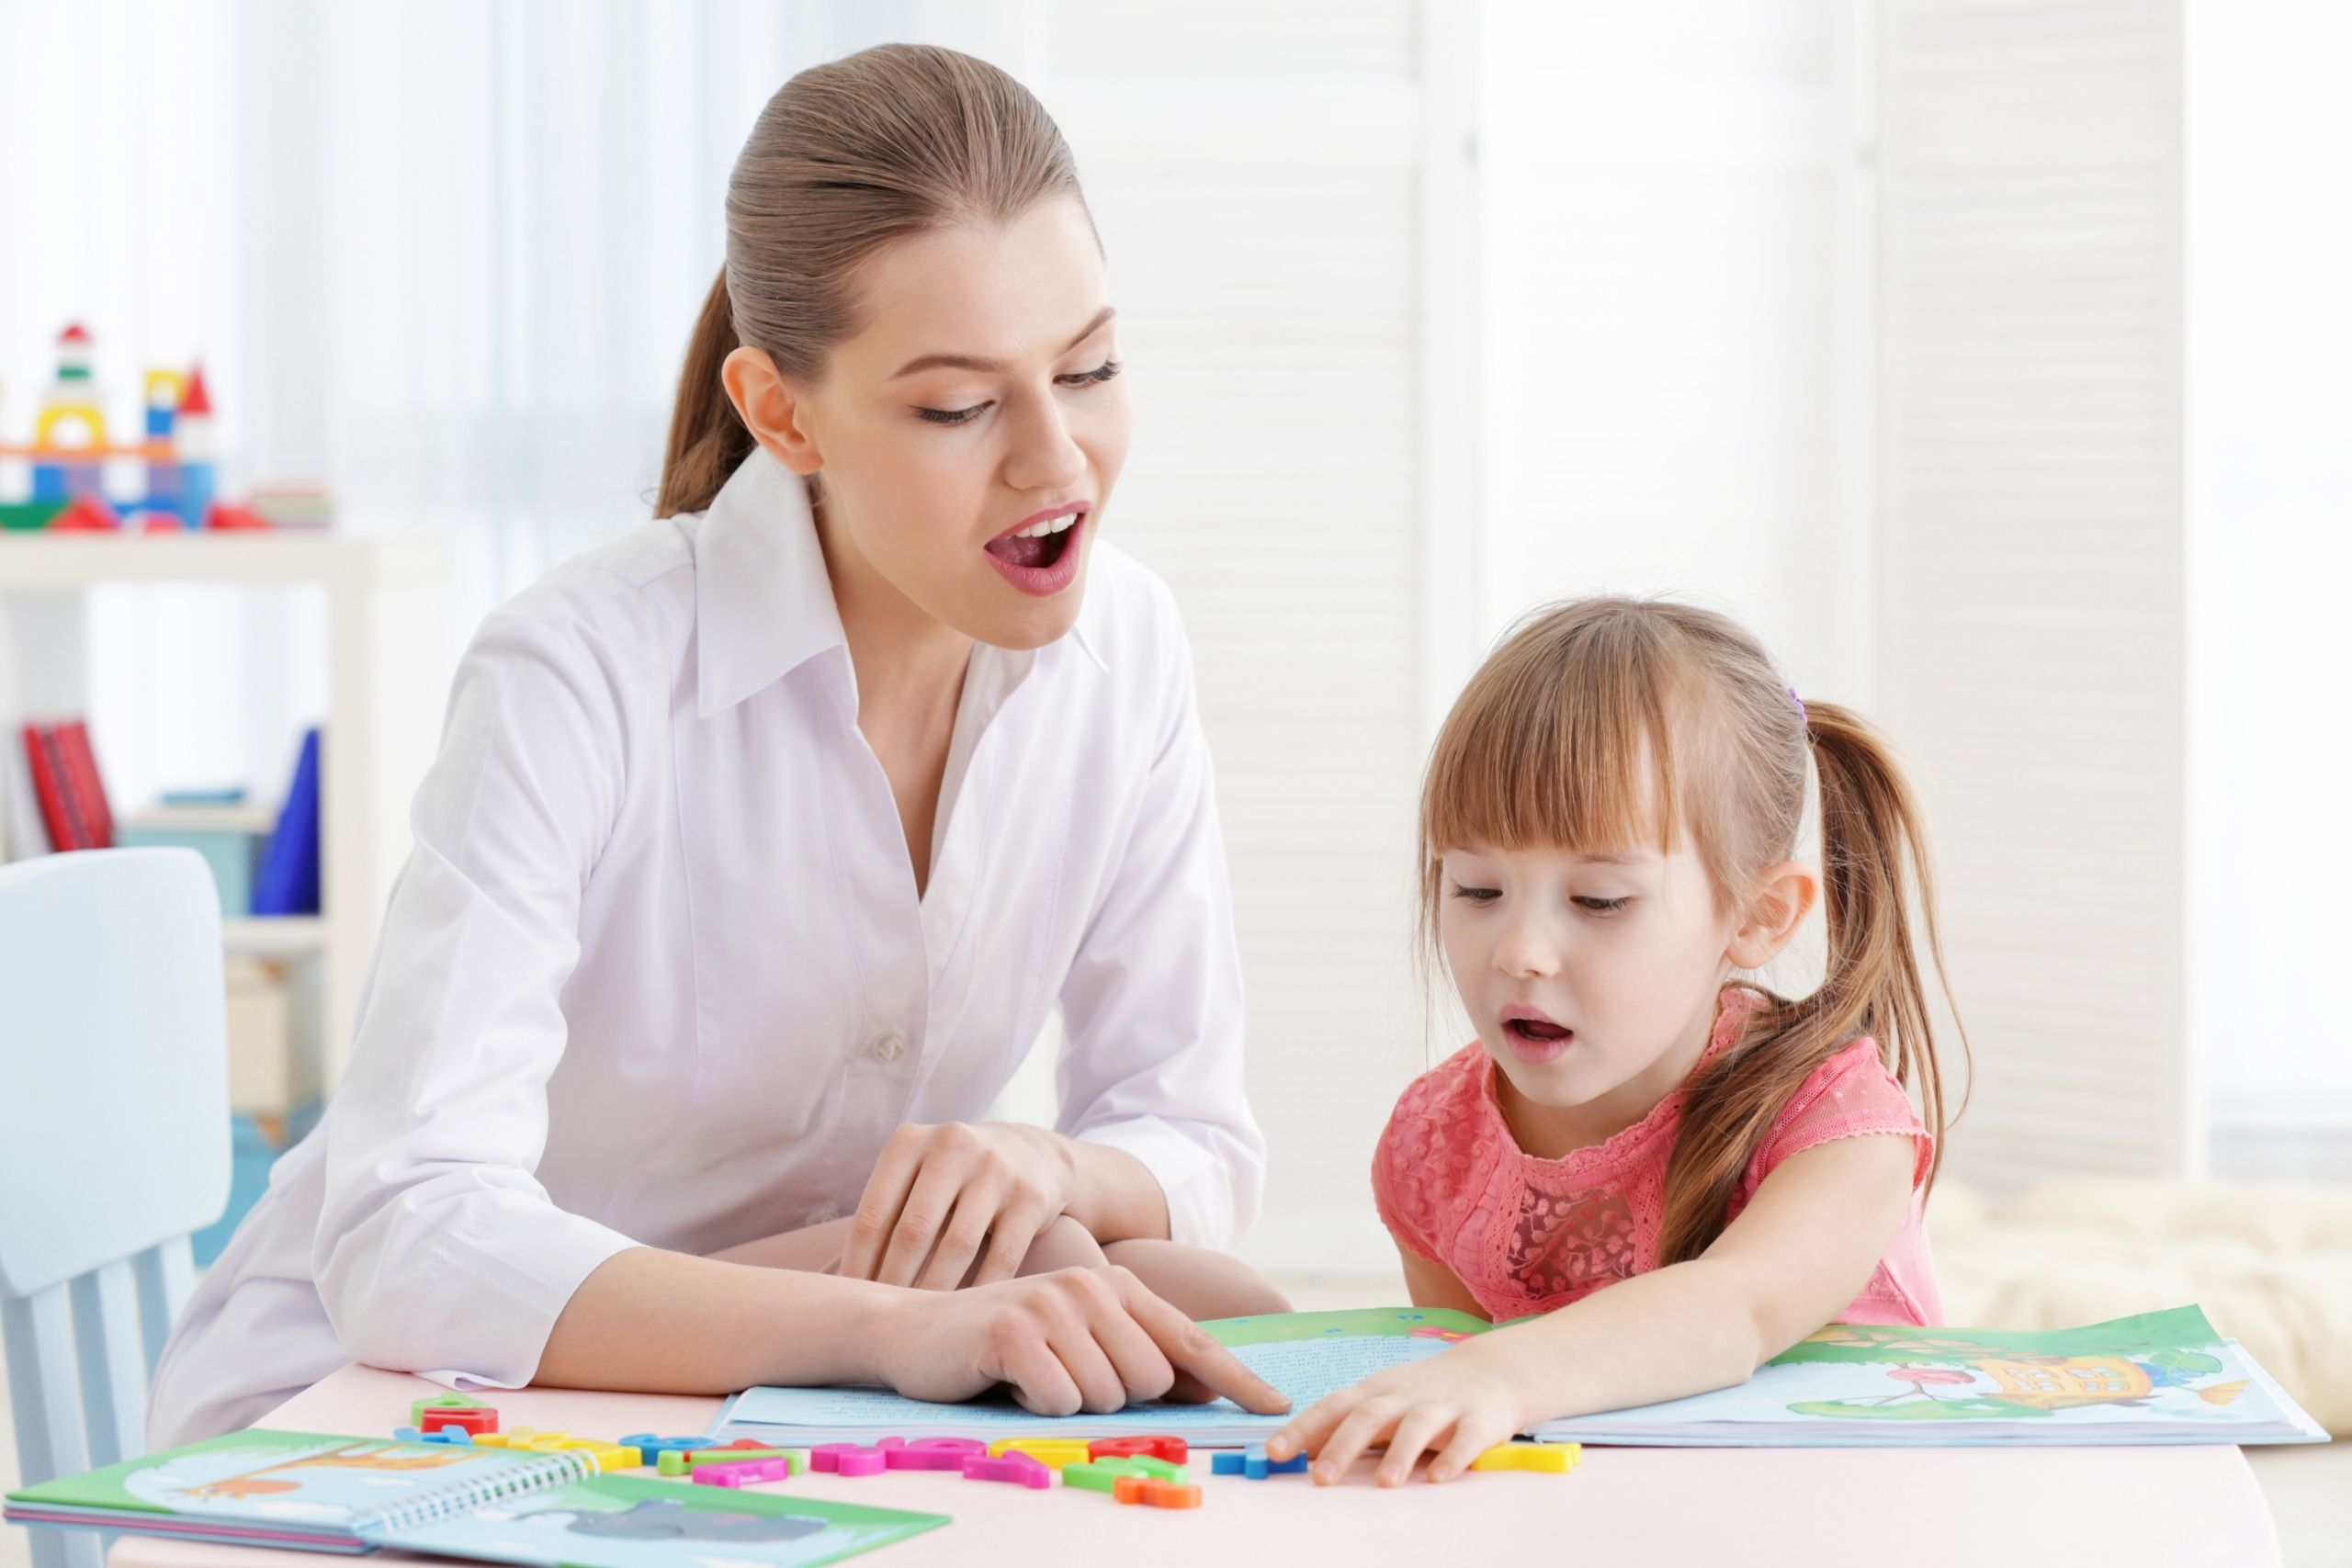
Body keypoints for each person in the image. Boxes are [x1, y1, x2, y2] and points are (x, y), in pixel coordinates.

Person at [149, 42, 1288, 1450]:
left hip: (766, 1404)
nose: (1058, 460)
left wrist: (1043, 1161)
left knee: (1173, 1286)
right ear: (782, 413)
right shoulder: (580, 669)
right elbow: (408, 1226)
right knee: (1076, 1282)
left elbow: (1196, 1139)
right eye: (958, 405)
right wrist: (899, 1329)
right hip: (388, 1403)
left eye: (1090, 366)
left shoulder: (1129, 650)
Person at [1269, 597, 1964, 1483]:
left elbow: (1737, 1308)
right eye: (1477, 889)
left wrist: (1502, 1371)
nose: (1519, 952)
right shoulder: (1430, 1146)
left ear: (1757, 916)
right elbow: (1469, 1431)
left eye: (1598, 901)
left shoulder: (1839, 1120)